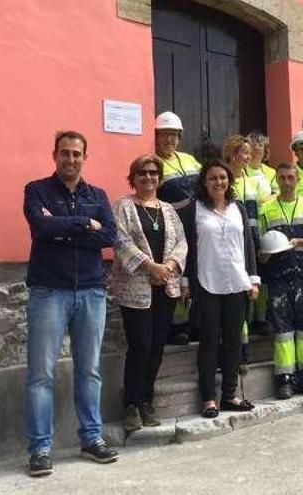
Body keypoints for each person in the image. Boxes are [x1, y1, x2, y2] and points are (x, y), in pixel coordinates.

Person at [22, 130, 119, 476]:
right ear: (55, 155)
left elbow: (110, 236)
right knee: (40, 374)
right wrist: (82, 224)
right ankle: (40, 448)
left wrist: (64, 228)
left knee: (89, 371)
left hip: (92, 291)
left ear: (84, 158)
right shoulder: (36, 190)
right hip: (49, 291)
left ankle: (92, 438)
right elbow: (40, 228)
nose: (71, 159)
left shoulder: (98, 195)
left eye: (77, 154)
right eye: (65, 153)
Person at [112, 155, 187, 431]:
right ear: (134, 177)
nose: (148, 177)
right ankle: (131, 404)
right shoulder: (123, 206)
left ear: (159, 177)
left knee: (156, 347)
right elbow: (120, 242)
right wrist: (150, 266)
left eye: (154, 173)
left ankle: (147, 400)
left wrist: (168, 266)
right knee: (140, 346)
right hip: (136, 289)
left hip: (164, 287)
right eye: (142, 173)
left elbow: (181, 242)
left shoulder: (167, 209)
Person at [180, 161, 260, 417]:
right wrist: (185, 282)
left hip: (236, 282)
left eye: (223, 177)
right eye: (213, 178)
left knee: (233, 343)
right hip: (207, 283)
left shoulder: (239, 209)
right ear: (205, 181)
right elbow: (186, 248)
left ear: (229, 181)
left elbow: (248, 244)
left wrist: (253, 279)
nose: (218, 182)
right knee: (209, 343)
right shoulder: (195, 209)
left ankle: (230, 395)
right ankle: (208, 399)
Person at [258, 162, 303, 399]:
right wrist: (264, 255)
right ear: (276, 180)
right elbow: (261, 243)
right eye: (282, 178)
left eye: (291, 177)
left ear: (298, 180)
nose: (287, 182)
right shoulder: (266, 209)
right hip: (278, 273)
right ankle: (285, 379)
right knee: (282, 327)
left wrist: (299, 241)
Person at [154, 111, 202, 345]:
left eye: (173, 135)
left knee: (196, 272)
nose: (169, 140)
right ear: (156, 137)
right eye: (164, 135)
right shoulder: (155, 163)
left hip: (197, 225)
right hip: (172, 228)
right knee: (176, 275)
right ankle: (177, 326)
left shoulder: (190, 160)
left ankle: (196, 323)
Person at [223, 135, 266, 365]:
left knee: (245, 297)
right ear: (232, 154)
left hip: (250, 244)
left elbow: (263, 212)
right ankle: (232, 351)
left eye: (249, 153)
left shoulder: (254, 183)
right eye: (244, 153)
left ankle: (243, 353)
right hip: (229, 246)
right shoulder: (224, 181)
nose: (248, 157)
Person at [245, 131, 276, 336]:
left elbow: (278, 193)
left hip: (267, 228)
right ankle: (247, 316)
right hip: (247, 229)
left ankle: (262, 317)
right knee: (248, 273)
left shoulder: (271, 173)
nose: (257, 148)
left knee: (264, 275)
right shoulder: (241, 171)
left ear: (266, 150)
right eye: (252, 144)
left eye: (261, 145)